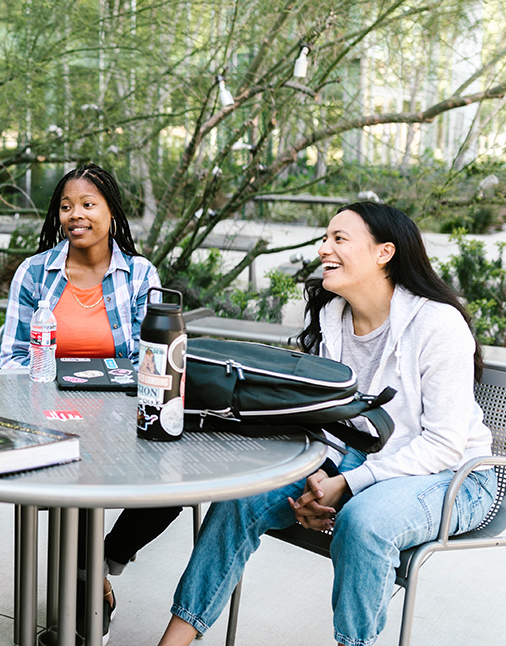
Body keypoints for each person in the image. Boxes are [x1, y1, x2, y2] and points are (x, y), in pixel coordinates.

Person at [156, 202, 497, 646]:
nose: (323, 249)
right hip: (364, 460)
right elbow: (330, 419)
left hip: (455, 476)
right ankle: (174, 641)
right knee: (243, 496)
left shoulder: (437, 324)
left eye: (339, 239)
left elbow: (445, 444)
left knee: (363, 522)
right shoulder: (331, 317)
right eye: (324, 238)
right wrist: (316, 475)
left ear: (384, 253)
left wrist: (348, 485)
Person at [0, 163, 179, 643]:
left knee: (176, 486)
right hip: (49, 416)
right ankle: (86, 586)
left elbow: (154, 358)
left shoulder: (140, 275)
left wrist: (105, 392)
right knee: (78, 474)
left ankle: (98, 562)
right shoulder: (35, 272)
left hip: (123, 416)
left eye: (87, 204)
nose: (74, 215)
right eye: (65, 206)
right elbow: (11, 353)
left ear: (111, 211)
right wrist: (60, 388)